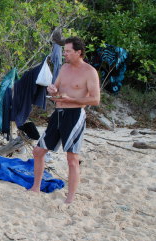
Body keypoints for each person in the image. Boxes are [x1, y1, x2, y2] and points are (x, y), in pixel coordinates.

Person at [29, 37, 100, 203]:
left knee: (72, 158)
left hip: (75, 115)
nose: (65, 54)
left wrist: (72, 100)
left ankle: (70, 198)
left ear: (78, 52)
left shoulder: (89, 72)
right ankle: (35, 187)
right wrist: (52, 90)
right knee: (38, 151)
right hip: (58, 113)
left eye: (68, 51)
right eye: (65, 51)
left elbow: (95, 100)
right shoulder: (65, 68)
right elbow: (57, 90)